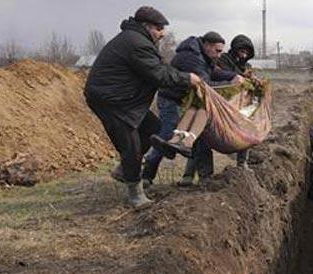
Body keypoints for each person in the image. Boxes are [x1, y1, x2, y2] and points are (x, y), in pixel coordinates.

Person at [84, 6, 201, 208]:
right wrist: (187, 78)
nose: (162, 33)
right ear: (145, 26)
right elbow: (158, 75)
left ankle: (124, 170)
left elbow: (160, 70)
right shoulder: (137, 43)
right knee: (131, 145)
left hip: (125, 99)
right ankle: (135, 193)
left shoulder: (139, 41)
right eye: (158, 28)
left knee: (153, 130)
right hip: (112, 101)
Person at [141, 31, 243, 187]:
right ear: (207, 45)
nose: (219, 55)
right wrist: (230, 85)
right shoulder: (192, 57)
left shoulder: (203, 56)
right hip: (171, 99)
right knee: (167, 136)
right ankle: (146, 175)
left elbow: (213, 72)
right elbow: (204, 85)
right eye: (217, 50)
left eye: (221, 51)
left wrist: (231, 76)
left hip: (186, 100)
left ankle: (205, 176)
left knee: (199, 135)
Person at [216, 34, 259, 169]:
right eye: (242, 51)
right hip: (221, 103)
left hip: (240, 104)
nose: (244, 54)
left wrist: (254, 80)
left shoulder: (246, 66)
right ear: (235, 49)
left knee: (247, 129)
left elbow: (249, 83)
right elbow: (218, 75)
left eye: (247, 52)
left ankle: (242, 163)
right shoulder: (223, 60)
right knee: (205, 137)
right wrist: (239, 77)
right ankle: (193, 173)